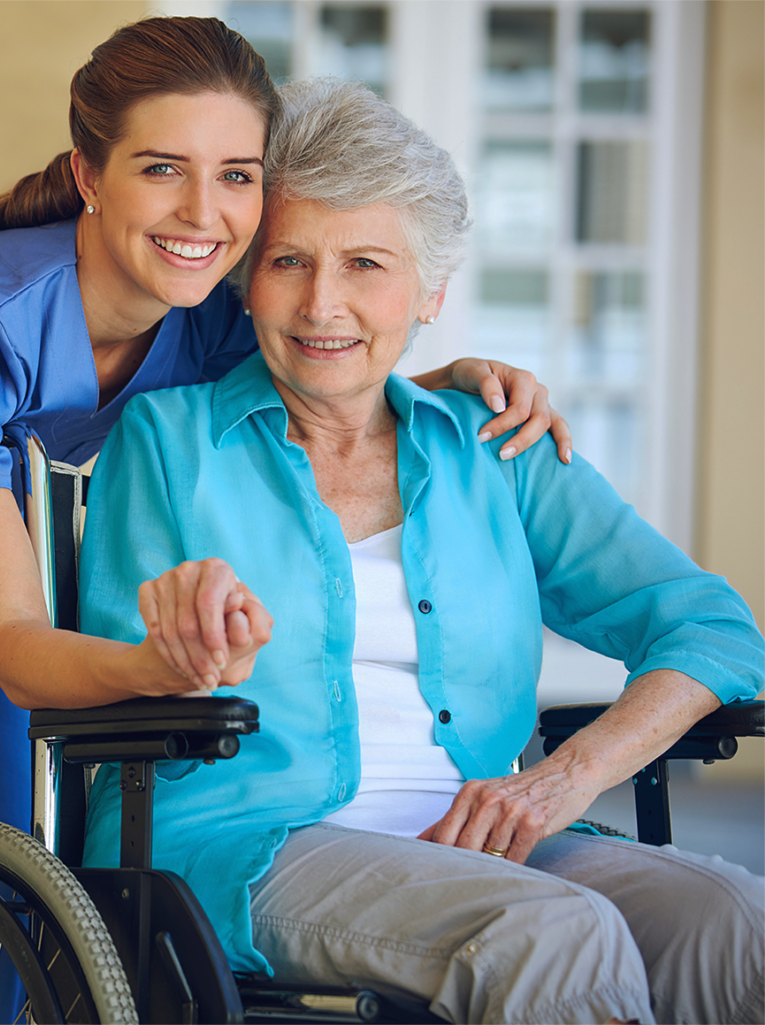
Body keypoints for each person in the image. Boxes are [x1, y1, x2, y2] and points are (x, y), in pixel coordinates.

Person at [0, 19, 566, 1023]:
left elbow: (327, 358)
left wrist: (450, 381)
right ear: (88, 172)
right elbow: (23, 652)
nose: (204, 212)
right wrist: (161, 668)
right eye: (164, 169)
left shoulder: (202, 305)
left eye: (237, 175)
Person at [78, 77, 765, 1025]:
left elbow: (712, 628)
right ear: (246, 277)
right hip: (244, 840)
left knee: (733, 919)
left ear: (431, 290)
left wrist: (570, 774)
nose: (323, 304)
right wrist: (186, 647)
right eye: (289, 261)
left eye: (366, 263)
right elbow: (124, 662)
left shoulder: (496, 448)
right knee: (555, 935)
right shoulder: (169, 440)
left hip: (477, 839)